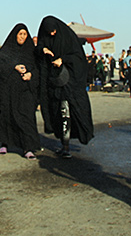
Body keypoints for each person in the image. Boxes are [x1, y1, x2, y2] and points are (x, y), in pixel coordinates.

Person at [36, 16, 95, 158]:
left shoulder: (68, 37)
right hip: (53, 85)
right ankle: (64, 144)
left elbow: (78, 58)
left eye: (54, 31)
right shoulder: (45, 39)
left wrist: (63, 60)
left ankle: (67, 146)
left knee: (68, 114)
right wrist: (43, 50)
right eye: (49, 32)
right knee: (58, 115)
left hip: (70, 84)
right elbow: (38, 55)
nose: (52, 34)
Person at [0, 23, 40, 159]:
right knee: (7, 116)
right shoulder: (6, 51)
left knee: (26, 118)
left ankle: (28, 148)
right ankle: (5, 143)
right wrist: (14, 66)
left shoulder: (31, 52)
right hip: (9, 92)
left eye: (25, 34)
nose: (22, 37)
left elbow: (38, 69)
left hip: (25, 92)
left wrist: (30, 74)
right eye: (20, 34)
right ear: (15, 35)